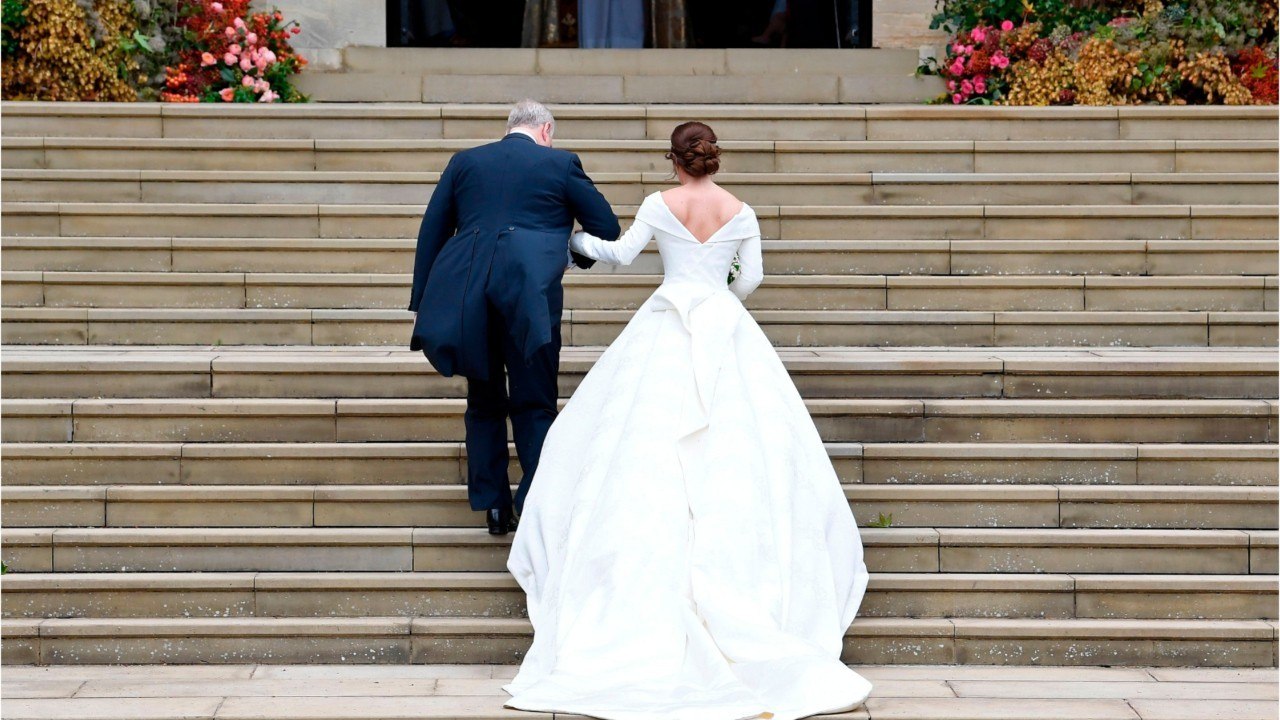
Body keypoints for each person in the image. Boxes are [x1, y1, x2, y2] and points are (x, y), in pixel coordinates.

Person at [504, 121, 873, 719]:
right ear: (712, 160)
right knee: (742, 451)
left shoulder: (659, 203)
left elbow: (622, 255)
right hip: (724, 326)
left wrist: (577, 245)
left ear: (674, 161)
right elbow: (750, 279)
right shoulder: (741, 210)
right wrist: (719, 286)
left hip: (667, 322)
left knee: (632, 447)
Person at [409, 99, 620, 536]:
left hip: (469, 295)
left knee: (483, 401)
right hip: (530, 297)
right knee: (534, 401)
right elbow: (606, 225)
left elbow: (432, 230)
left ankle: (492, 506)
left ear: (511, 128)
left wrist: (423, 299)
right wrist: (562, 254)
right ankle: (535, 502)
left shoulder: (465, 162)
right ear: (545, 131)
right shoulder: (560, 164)